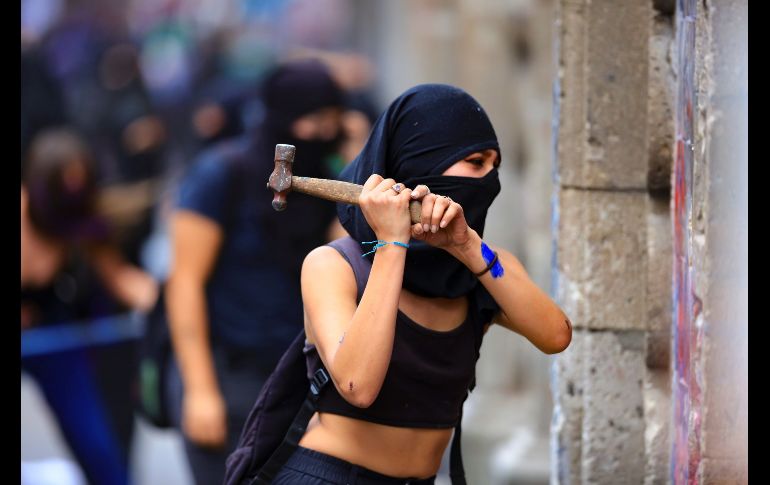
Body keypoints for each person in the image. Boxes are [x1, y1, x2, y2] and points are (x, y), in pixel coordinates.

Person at [270, 84, 573, 484]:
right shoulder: (333, 265)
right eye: (475, 162)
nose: (489, 178)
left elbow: (556, 335)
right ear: (421, 162)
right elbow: (357, 385)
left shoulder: (485, 266)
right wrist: (393, 242)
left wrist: (467, 247)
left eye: (494, 164)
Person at [164, 59, 347, 484]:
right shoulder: (221, 174)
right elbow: (184, 282)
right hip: (227, 372)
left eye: (333, 120)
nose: (323, 132)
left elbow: (347, 259)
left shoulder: (322, 180)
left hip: (294, 377)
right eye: (312, 119)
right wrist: (200, 389)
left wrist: (356, 165)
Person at [21, 127, 159, 485]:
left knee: (97, 445)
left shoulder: (79, 221)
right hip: (39, 336)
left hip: (55, 343)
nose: (72, 186)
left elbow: (121, 278)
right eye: (63, 180)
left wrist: (170, 300)